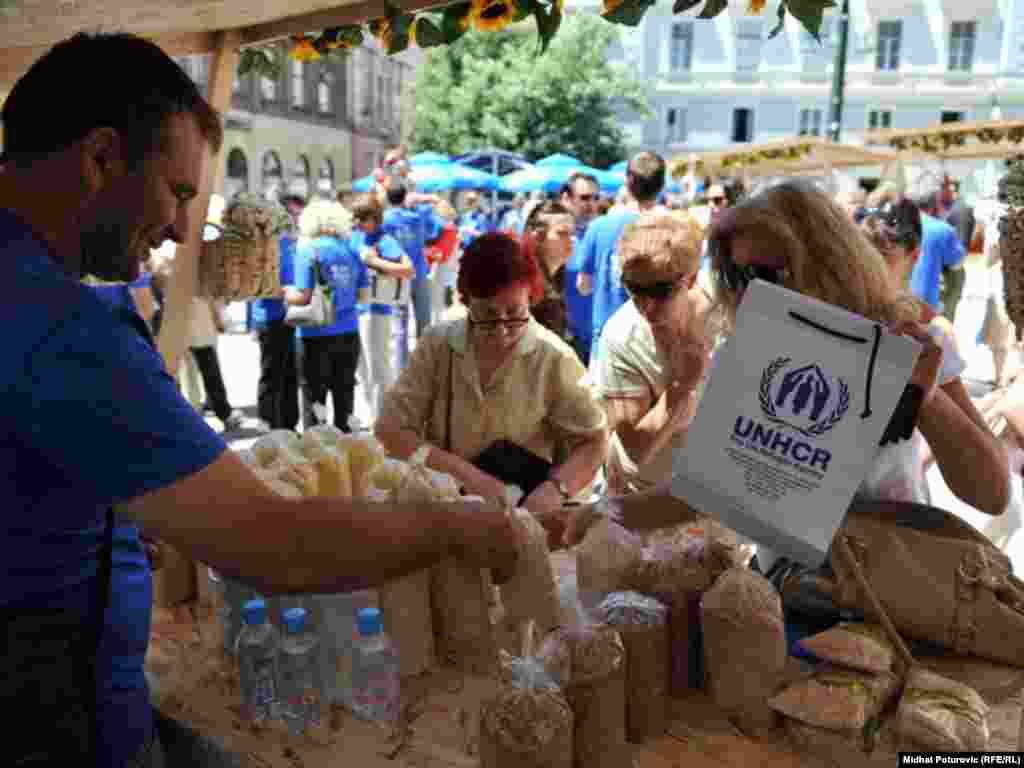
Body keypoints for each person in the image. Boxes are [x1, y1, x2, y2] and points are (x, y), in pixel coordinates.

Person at [0, 32, 520, 766]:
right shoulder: (60, 326)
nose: (183, 230)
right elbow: (279, 544)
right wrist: (455, 527)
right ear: (100, 159)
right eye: (178, 192)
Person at [562, 181, 1008, 560]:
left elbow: (990, 493)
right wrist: (601, 512)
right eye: (739, 279)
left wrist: (921, 397)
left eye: (769, 275)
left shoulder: (910, 332)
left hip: (892, 587)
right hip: (793, 596)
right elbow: (714, 489)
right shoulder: (748, 350)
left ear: (826, 260)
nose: (753, 293)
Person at [375, 232, 609, 539]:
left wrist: (554, 489)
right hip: (446, 517)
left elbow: (593, 441)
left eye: (514, 314)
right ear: (466, 300)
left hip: (519, 524)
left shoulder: (553, 356)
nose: (501, 332)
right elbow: (391, 430)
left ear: (531, 296)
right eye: (486, 316)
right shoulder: (438, 344)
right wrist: (467, 476)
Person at [591, 212, 719, 496]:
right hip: (653, 498)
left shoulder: (729, 309)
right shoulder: (621, 338)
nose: (646, 306)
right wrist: (681, 388)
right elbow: (634, 450)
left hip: (723, 493)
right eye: (634, 290)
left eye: (661, 292)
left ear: (692, 278)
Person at [285, 199, 368, 431]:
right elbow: (363, 296)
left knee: (315, 403)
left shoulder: (307, 250)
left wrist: (285, 291)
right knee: (345, 401)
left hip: (315, 335)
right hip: (349, 333)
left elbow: (302, 296)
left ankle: (316, 458)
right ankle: (347, 455)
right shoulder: (351, 250)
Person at [575, 152, 668, 349]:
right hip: (654, 341)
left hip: (607, 338)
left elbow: (584, 286)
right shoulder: (675, 230)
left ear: (627, 182)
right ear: (662, 185)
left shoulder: (599, 227)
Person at [350, 194, 415, 420]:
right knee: (362, 369)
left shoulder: (385, 239)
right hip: (355, 310)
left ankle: (383, 420)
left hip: (377, 310)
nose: (357, 222)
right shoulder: (355, 236)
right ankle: (374, 415)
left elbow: (408, 269)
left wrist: (374, 261)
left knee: (379, 368)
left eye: (362, 218)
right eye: (355, 217)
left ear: (374, 218)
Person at [250, 193, 302, 430]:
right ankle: (269, 424)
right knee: (272, 374)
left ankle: (288, 426)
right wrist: (287, 291)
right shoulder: (265, 246)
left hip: (287, 316)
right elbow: (257, 285)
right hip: (272, 317)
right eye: (289, 215)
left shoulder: (285, 243)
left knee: (289, 373)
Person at [383, 180, 445, 361]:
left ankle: (401, 367)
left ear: (388, 198)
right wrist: (422, 199)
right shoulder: (418, 217)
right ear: (404, 197)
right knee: (424, 322)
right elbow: (436, 228)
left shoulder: (385, 220)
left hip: (397, 276)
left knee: (399, 326)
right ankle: (423, 364)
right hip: (419, 273)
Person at [560, 170, 602, 365]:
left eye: (596, 198)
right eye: (584, 198)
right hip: (565, 339)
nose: (592, 204)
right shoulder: (555, 238)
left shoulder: (603, 234)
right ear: (566, 199)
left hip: (597, 341)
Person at [188, 295, 245, 432]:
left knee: (190, 375)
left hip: (184, 327)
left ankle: (218, 412)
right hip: (199, 326)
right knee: (210, 372)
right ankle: (224, 414)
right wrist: (219, 319)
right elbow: (211, 296)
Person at [521, 201, 576, 342]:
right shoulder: (524, 284)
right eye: (562, 233)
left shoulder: (557, 278)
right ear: (537, 237)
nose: (571, 240)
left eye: (572, 233)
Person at [941, 179, 973, 324]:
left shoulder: (961, 210)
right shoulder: (948, 208)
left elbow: (962, 247)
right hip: (944, 271)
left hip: (950, 273)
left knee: (944, 319)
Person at [427, 199, 461, 321]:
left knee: (436, 301)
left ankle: (437, 325)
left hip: (441, 266)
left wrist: (426, 251)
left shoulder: (448, 228)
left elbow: (441, 253)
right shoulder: (450, 227)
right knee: (438, 301)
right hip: (446, 266)